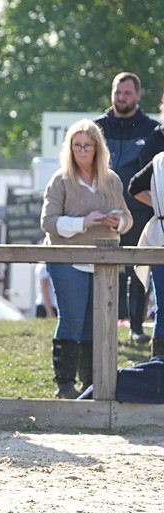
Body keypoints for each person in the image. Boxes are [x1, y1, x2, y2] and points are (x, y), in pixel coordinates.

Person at [41, 120, 130, 397]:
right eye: (77, 146)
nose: (82, 151)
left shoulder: (111, 179)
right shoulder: (61, 180)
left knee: (98, 323)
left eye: (87, 146)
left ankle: (91, 384)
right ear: (70, 148)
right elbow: (48, 222)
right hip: (68, 259)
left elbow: (128, 219)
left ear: (97, 149)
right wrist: (83, 222)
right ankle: (65, 385)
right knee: (72, 320)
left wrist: (117, 222)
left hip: (103, 260)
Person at [94, 72, 158, 344]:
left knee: (138, 270)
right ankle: (98, 326)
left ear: (138, 95)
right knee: (98, 268)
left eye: (127, 93)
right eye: (117, 92)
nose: (121, 98)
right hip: (100, 213)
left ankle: (136, 327)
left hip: (139, 213)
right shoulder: (96, 127)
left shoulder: (152, 130)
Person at [128, 146, 164, 359]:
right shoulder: (159, 160)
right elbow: (134, 187)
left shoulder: (159, 161)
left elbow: (134, 187)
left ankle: (158, 364)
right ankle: (159, 362)